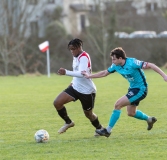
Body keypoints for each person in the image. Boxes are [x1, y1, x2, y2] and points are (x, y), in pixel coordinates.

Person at [82, 47, 167, 137]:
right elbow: (104, 73)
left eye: (114, 59)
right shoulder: (116, 66)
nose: (113, 61)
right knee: (131, 113)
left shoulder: (133, 63)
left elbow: (151, 65)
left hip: (141, 89)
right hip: (132, 89)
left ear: (120, 58)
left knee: (118, 104)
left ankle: (108, 130)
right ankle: (149, 119)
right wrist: (89, 76)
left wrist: (164, 76)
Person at [53, 38, 103, 136]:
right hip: (75, 87)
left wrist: (66, 72)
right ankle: (68, 122)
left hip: (87, 91)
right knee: (57, 102)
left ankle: (100, 128)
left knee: (88, 114)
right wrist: (72, 83)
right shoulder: (75, 57)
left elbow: (81, 73)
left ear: (79, 47)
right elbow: (76, 72)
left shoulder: (84, 57)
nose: (72, 51)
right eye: (70, 49)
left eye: (73, 49)